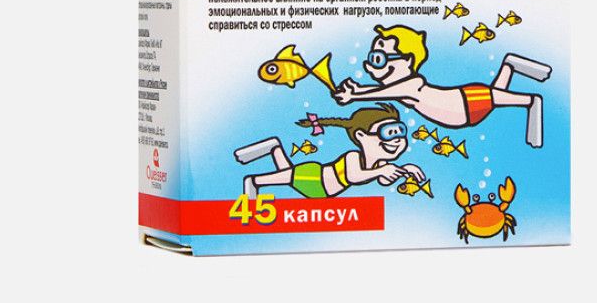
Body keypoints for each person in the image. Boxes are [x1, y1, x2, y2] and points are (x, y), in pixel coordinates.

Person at [332, 23, 550, 147]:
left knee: (497, 97)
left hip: (466, 102)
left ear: (407, 61)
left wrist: (355, 96)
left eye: (379, 58)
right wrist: (358, 90)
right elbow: (384, 91)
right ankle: (509, 65)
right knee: (496, 96)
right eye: (373, 57)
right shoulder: (402, 87)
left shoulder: (412, 84)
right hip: (466, 112)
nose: (372, 65)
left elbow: (384, 93)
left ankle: (531, 101)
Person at [233, 103, 426, 199]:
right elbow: (354, 176)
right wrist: (382, 170)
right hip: (314, 178)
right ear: (361, 135)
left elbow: (384, 180)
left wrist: (404, 170)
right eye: (389, 133)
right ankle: (253, 182)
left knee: (286, 174)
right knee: (284, 177)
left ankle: (274, 147)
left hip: (321, 190)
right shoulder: (353, 157)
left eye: (400, 132)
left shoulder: (380, 165)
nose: (396, 140)